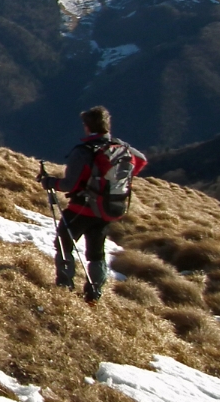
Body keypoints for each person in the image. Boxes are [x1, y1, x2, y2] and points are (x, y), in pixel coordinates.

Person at [40, 106, 147, 301]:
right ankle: (94, 292)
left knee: (64, 242)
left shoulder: (84, 151)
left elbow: (69, 184)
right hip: (108, 209)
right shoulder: (121, 148)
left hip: (82, 208)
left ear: (87, 127)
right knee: (97, 251)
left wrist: (49, 182)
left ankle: (65, 286)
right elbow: (140, 160)